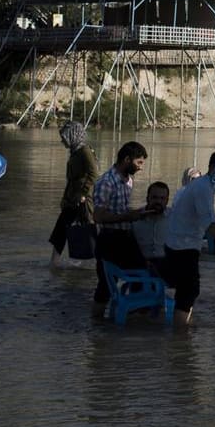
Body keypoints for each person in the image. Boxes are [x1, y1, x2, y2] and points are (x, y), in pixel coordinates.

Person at [90, 141, 157, 314]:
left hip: (125, 237)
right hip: (109, 239)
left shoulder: (128, 181)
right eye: (139, 163)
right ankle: (96, 327)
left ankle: (132, 312)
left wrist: (140, 212)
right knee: (105, 284)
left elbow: (121, 209)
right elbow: (98, 216)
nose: (141, 168)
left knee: (142, 274)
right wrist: (128, 216)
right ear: (127, 160)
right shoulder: (106, 182)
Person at [161, 156, 215, 327]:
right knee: (188, 291)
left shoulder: (200, 186)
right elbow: (210, 225)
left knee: (187, 291)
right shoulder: (203, 188)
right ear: (213, 168)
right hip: (183, 248)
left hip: (178, 245)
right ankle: (180, 338)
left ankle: (182, 331)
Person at [48, 121, 98, 268]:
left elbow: (94, 173)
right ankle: (54, 262)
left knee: (87, 230)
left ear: (72, 135)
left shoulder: (85, 151)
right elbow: (71, 180)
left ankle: (92, 262)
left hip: (82, 200)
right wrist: (64, 198)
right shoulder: (75, 152)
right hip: (71, 198)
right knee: (61, 229)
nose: (62, 140)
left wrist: (83, 194)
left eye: (64, 137)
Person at [133, 181, 173, 276]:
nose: (158, 202)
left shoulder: (174, 218)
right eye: (154, 198)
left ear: (167, 201)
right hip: (140, 265)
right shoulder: (135, 218)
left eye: (162, 198)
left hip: (166, 265)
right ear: (147, 198)